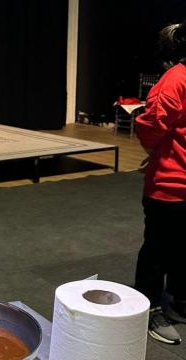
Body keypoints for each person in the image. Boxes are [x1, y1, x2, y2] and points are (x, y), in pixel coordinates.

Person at [134, 21, 186, 345]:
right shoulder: (176, 79)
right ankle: (150, 308)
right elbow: (151, 124)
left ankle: (179, 300)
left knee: (182, 251)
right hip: (170, 185)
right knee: (157, 252)